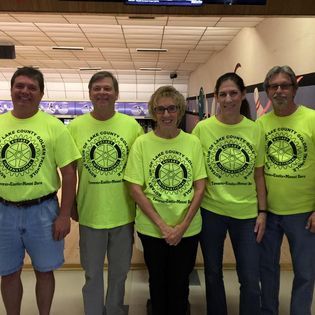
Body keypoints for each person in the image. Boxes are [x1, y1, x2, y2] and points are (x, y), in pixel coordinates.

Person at [0, 66, 80, 315]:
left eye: (31, 87)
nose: (24, 91)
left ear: (41, 94)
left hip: (43, 211)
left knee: (44, 272)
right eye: (19, 86)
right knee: (8, 273)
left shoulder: (55, 127)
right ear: (11, 89)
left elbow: (69, 173)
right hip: (4, 211)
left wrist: (64, 214)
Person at [124, 85, 207, 315]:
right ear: (154, 112)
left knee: (180, 284)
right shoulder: (142, 143)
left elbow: (200, 187)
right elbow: (135, 188)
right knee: (157, 283)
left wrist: (182, 227)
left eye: (171, 108)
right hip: (152, 230)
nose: (166, 114)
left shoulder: (192, 143)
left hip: (187, 230)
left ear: (180, 110)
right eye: (160, 109)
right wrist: (163, 226)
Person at [68, 71, 143, 315]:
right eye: (97, 88)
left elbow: (139, 170)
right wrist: (69, 204)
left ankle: (114, 310)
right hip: (90, 214)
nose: (102, 92)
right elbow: (69, 171)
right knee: (92, 274)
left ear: (116, 93)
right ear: (90, 93)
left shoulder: (131, 126)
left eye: (107, 88)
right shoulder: (76, 127)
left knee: (120, 273)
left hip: (124, 212)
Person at [192, 72, 267, 315]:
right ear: (216, 97)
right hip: (211, 211)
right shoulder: (202, 129)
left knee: (249, 277)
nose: (228, 99)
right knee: (213, 274)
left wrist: (262, 212)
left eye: (233, 93)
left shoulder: (255, 130)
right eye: (223, 94)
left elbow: (259, 175)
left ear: (242, 95)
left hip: (246, 214)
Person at [258, 65, 315, 315]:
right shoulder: (260, 124)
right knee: (267, 271)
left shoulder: (312, 119)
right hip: (268, 213)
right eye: (273, 86)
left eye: (284, 85)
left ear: (295, 89)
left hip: (303, 213)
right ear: (267, 92)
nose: (279, 91)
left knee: (304, 273)